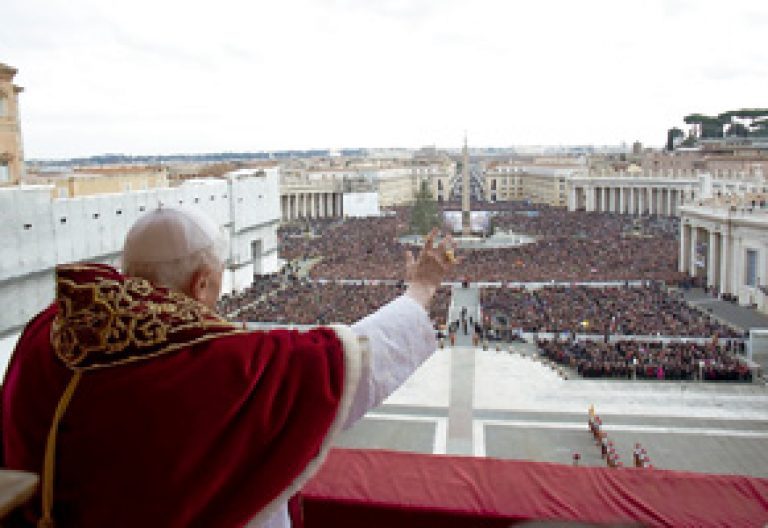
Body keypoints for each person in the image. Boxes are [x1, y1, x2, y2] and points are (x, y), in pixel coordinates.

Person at [1, 208, 457, 528]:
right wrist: (421, 288)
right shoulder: (220, 364)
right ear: (202, 285)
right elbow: (349, 361)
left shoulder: (50, 329)